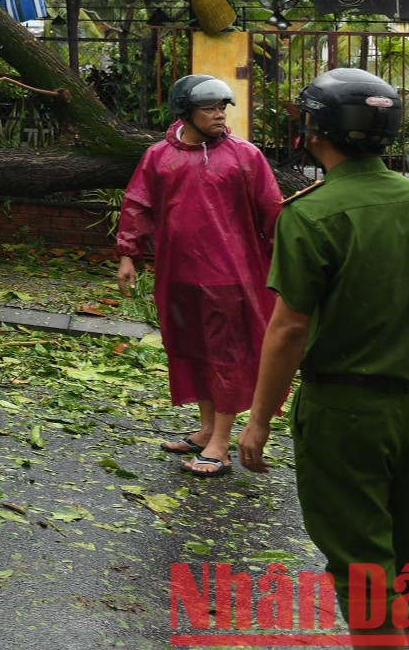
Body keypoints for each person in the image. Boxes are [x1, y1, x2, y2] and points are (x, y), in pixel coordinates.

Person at [240, 69, 409, 639]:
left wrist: (258, 421)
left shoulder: (310, 214)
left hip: (344, 409)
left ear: (313, 130)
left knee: (362, 566)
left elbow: (288, 330)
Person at [115, 73, 284, 477]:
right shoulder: (159, 156)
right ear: (185, 112)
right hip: (177, 274)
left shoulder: (245, 156)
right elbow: (138, 205)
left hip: (229, 276)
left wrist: (288, 264)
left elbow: (273, 211)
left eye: (222, 106)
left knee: (225, 356)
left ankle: (221, 445)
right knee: (192, 350)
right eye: (209, 107)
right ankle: (207, 429)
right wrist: (127, 255)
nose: (219, 114)